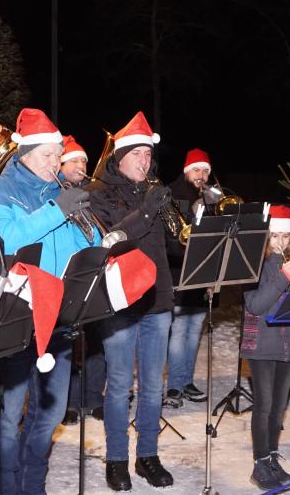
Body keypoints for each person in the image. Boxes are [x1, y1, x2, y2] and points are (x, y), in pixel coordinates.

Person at [0, 108, 96, 495]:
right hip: (18, 318)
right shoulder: (0, 191)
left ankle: (34, 485)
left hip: (59, 319)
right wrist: (55, 212)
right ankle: (7, 486)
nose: (55, 162)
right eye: (47, 155)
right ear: (25, 153)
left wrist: (98, 241)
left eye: (57, 155)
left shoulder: (58, 191)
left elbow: (80, 248)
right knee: (9, 416)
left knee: (48, 415)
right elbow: (9, 241)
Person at [87, 111, 175, 491]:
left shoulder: (154, 192)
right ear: (118, 158)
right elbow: (116, 240)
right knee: (120, 383)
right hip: (119, 302)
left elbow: (173, 247)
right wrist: (149, 209)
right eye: (137, 152)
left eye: (148, 153)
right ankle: (117, 459)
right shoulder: (99, 195)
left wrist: (188, 226)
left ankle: (148, 456)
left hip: (158, 300)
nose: (145, 160)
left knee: (153, 385)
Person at [241, 205, 290, 489]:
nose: (282, 243)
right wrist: (284, 278)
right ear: (266, 237)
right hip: (262, 344)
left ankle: (272, 457)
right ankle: (259, 463)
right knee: (264, 406)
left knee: (279, 407)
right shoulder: (253, 265)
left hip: (289, 344)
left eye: (288, 237)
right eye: (276, 236)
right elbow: (256, 304)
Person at [57, 135, 108, 425]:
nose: (81, 165)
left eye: (84, 161)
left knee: (96, 342)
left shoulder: (90, 196)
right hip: (69, 278)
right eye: (74, 160)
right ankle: (70, 402)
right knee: (70, 344)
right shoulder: (56, 196)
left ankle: (93, 398)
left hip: (93, 276)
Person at [163, 148, 214, 408]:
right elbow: (173, 240)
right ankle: (173, 385)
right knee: (180, 330)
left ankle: (186, 381)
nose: (202, 175)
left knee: (194, 331)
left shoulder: (212, 197)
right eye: (197, 170)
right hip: (179, 273)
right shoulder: (173, 196)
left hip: (202, 277)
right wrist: (195, 214)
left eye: (206, 170)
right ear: (186, 172)